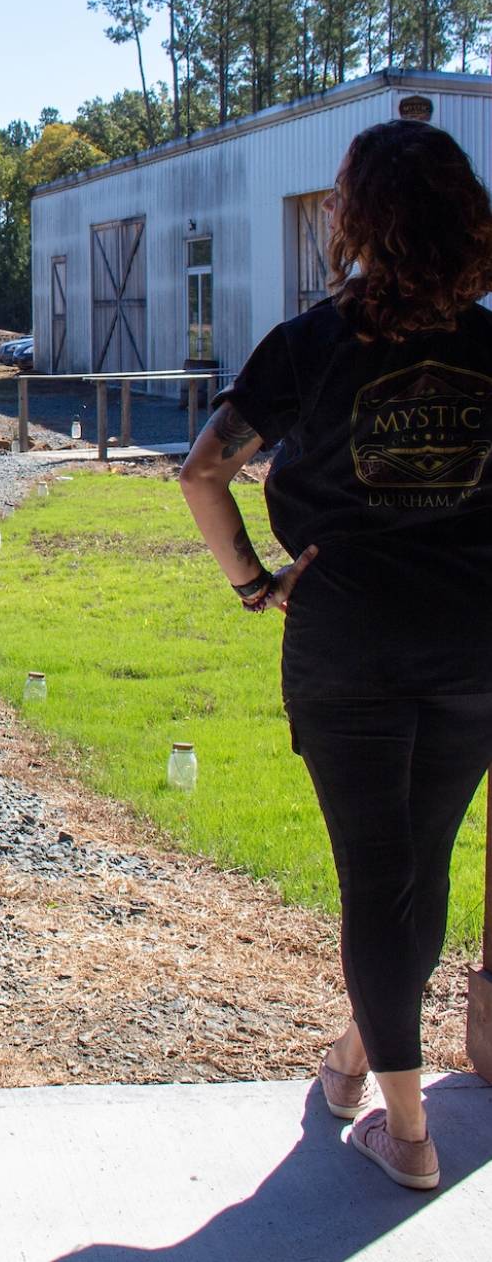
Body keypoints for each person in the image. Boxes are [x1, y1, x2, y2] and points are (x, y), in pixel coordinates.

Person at [180, 118, 492, 1193]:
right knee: (420, 861)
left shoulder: (310, 344)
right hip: (471, 645)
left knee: (375, 873)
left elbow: (199, 472)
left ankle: (402, 1130)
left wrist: (250, 581)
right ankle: (354, 1052)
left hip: (346, 642)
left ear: (354, 219)